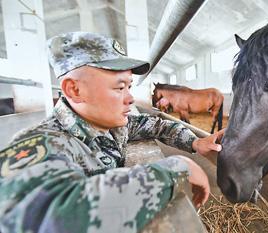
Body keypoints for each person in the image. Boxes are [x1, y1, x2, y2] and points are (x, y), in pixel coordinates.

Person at [0, 31, 224, 233]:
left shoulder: (114, 125)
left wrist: (195, 143)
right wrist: (176, 169)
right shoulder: (43, 142)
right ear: (74, 89)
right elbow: (46, 218)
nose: (130, 98)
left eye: (129, 86)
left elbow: (158, 125)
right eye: (119, 87)